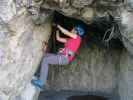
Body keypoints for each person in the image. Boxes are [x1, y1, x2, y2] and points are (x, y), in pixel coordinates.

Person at [31, 24, 85, 90]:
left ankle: (41, 82)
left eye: (73, 29)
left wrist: (58, 26)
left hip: (64, 58)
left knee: (46, 60)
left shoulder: (77, 38)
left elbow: (65, 32)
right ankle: (39, 76)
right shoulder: (70, 39)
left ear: (76, 31)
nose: (72, 29)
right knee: (45, 56)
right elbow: (58, 38)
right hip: (62, 56)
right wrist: (57, 30)